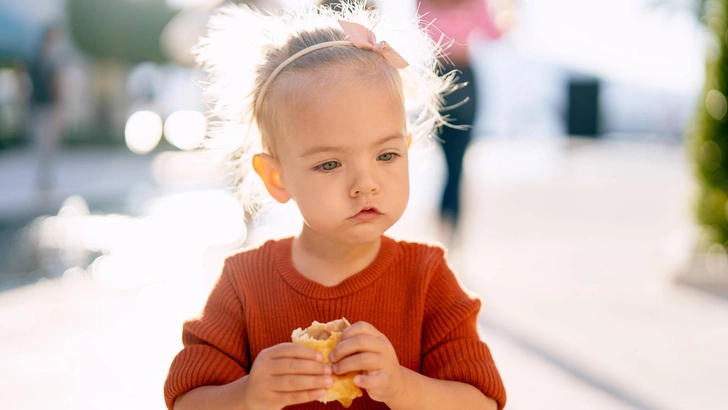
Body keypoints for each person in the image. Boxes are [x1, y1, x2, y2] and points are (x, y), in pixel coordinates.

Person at [164, 3, 506, 410]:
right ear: (277, 178)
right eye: (329, 164)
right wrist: (247, 395)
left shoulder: (427, 280)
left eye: (386, 156)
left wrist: (402, 388)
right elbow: (187, 399)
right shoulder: (244, 285)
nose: (366, 185)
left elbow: (482, 401)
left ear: (408, 151)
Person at [417, 0, 508, 240]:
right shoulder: (474, 3)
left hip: (436, 78)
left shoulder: (425, 3)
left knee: (446, 162)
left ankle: (442, 226)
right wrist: (507, 11)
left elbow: (421, 28)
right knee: (456, 165)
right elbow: (495, 34)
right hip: (464, 77)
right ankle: (451, 230)